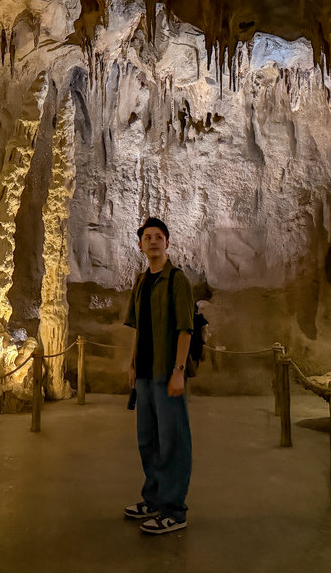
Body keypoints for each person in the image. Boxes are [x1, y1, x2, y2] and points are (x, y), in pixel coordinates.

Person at [122, 217, 194, 534]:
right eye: (147, 237)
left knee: (173, 441)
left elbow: (185, 329)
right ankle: (153, 499)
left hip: (167, 373)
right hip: (145, 375)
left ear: (167, 243)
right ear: (140, 245)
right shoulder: (141, 282)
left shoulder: (177, 280)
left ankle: (174, 510)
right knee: (147, 440)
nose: (153, 241)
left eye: (158, 237)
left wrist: (179, 371)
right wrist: (133, 364)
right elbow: (140, 329)